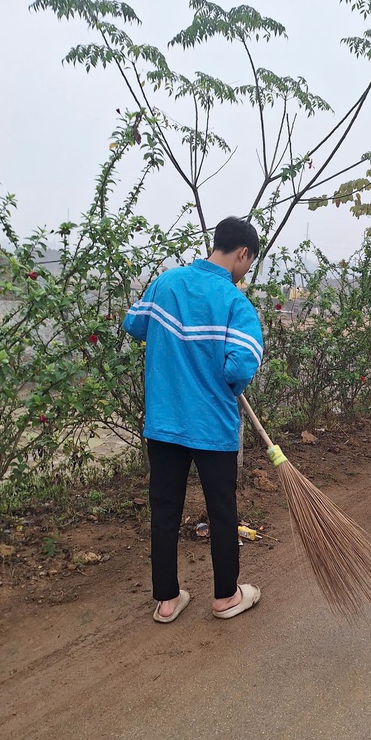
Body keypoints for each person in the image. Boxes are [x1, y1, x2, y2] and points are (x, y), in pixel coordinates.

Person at [123, 216, 264, 622]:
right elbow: (240, 367)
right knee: (222, 509)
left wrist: (174, 344)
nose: (244, 272)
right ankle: (225, 598)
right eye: (248, 264)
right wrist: (219, 380)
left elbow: (135, 324)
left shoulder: (167, 283)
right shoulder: (236, 304)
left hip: (165, 421)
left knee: (164, 507)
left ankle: (167, 600)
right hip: (212, 426)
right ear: (242, 254)